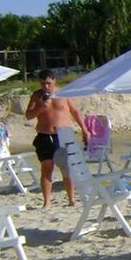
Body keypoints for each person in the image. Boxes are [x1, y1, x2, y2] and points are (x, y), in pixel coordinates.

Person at [25, 69, 91, 208]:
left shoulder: (63, 93)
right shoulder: (37, 95)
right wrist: (41, 106)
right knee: (46, 168)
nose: (46, 87)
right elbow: (29, 115)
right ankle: (47, 201)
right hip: (44, 135)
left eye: (48, 83)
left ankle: (71, 199)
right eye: (43, 84)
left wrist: (84, 130)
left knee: (67, 169)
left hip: (63, 135)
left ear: (54, 80)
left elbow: (75, 112)